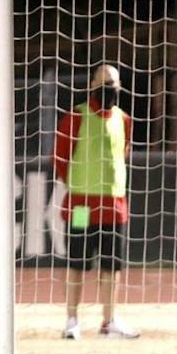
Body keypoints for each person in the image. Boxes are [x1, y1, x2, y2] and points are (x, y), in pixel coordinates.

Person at [51, 64, 139, 339]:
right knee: (76, 263)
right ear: (91, 86)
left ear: (120, 87)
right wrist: (77, 185)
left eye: (112, 83)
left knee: (112, 265)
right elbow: (60, 158)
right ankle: (72, 321)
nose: (108, 88)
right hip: (80, 205)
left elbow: (122, 154)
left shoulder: (124, 119)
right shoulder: (76, 117)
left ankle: (109, 321)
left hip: (113, 205)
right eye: (103, 83)